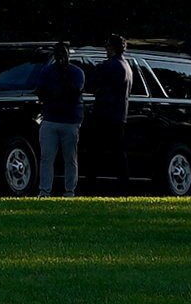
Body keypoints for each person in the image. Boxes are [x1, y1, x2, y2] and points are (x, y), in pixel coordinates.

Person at [34, 45, 88, 195]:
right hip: (51, 118)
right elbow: (40, 91)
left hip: (70, 120)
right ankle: (44, 191)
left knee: (70, 158)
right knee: (46, 157)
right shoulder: (47, 72)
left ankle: (69, 191)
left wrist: (53, 94)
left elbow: (74, 90)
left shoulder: (76, 73)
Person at [92, 35, 135, 189]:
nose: (105, 48)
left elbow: (93, 83)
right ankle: (123, 184)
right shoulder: (127, 66)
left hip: (105, 114)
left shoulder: (109, 66)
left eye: (107, 45)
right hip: (119, 115)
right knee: (119, 152)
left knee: (96, 152)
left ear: (112, 47)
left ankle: (92, 185)